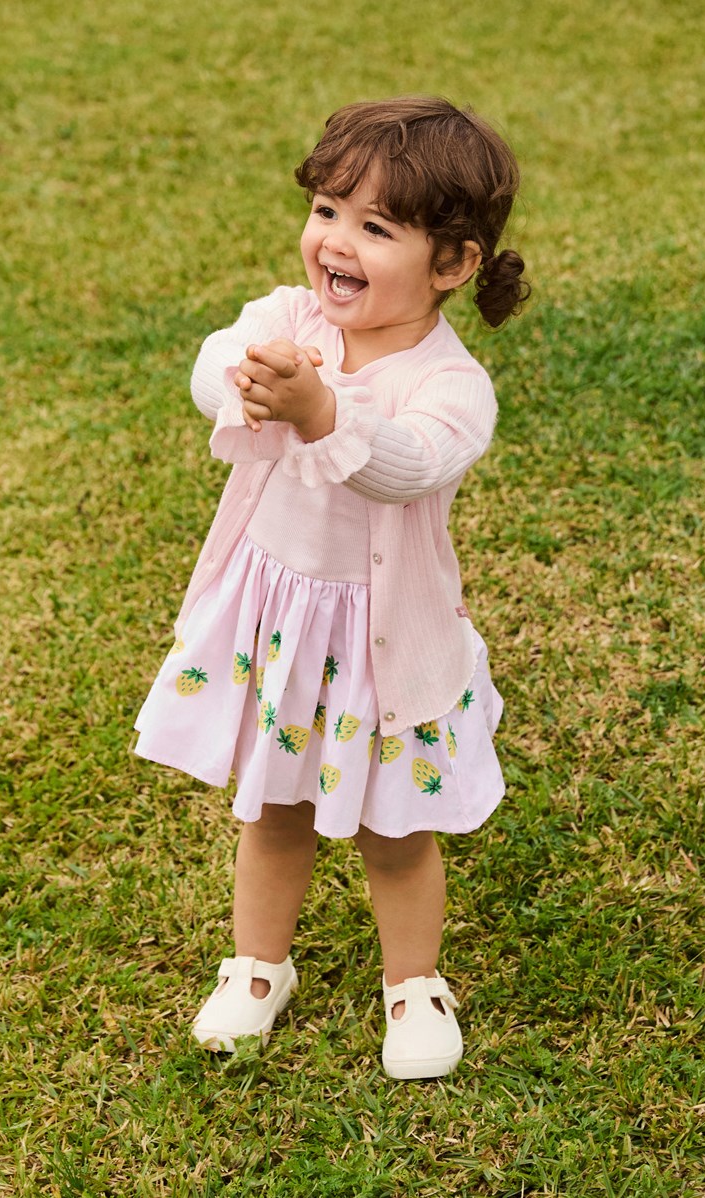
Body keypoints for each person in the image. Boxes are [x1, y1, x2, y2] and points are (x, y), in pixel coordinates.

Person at [133, 95, 529, 1079]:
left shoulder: (448, 385)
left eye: (375, 227)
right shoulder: (289, 318)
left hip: (383, 649)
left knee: (398, 828)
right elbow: (209, 367)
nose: (334, 242)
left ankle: (413, 983)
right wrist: (249, 374)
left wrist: (318, 410)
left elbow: (404, 465)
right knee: (272, 810)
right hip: (282, 623)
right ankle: (259, 966)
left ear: (453, 263)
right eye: (326, 212)